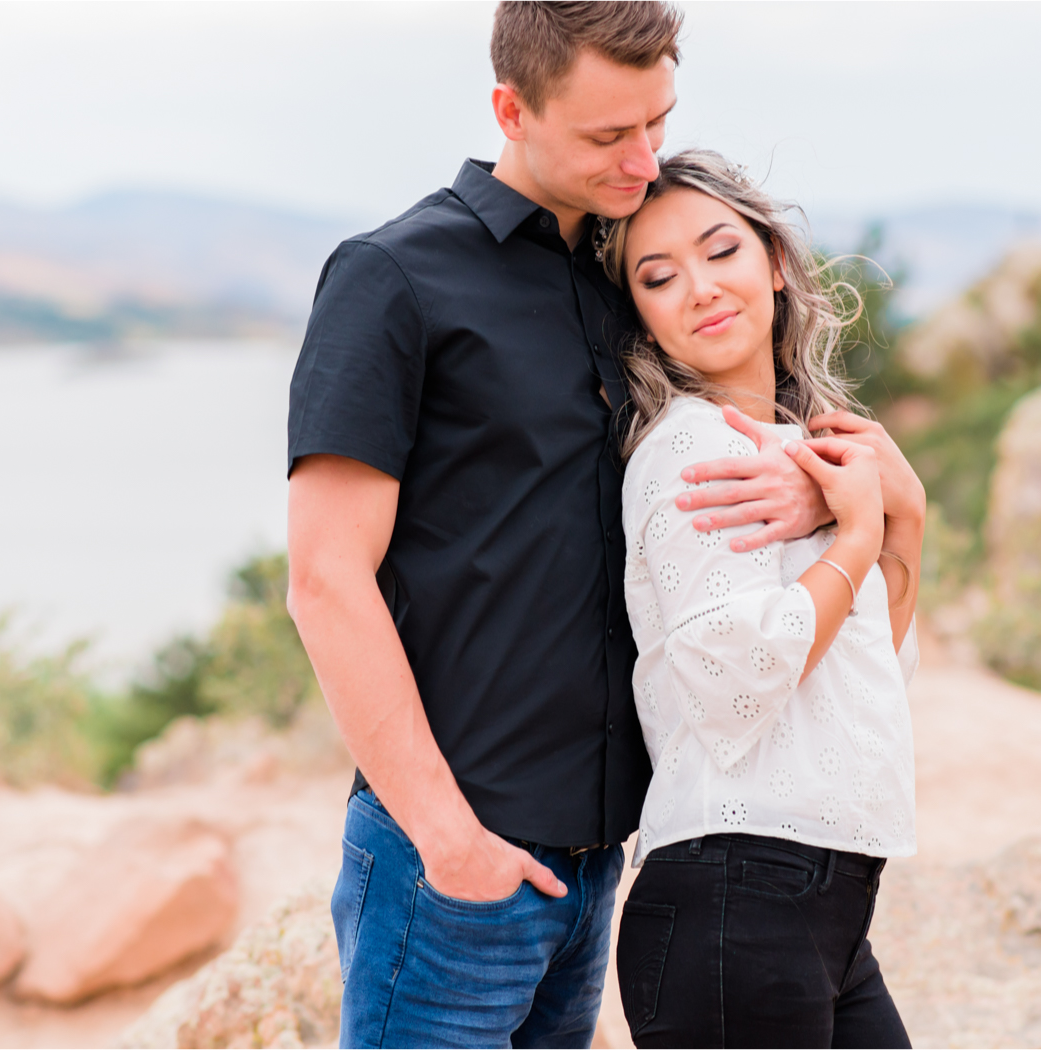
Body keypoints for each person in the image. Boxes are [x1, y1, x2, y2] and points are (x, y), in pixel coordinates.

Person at [285, 6, 836, 1048]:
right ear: (511, 108)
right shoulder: (393, 279)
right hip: (452, 864)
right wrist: (449, 841)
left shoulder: (631, 276)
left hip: (601, 861)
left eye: (655, 124)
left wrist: (817, 486)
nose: (641, 162)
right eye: (604, 137)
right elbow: (322, 580)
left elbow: (740, 415)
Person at [601, 149, 925, 1048]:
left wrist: (907, 518)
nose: (700, 288)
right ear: (641, 314)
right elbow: (735, 682)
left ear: (775, 263)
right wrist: (858, 536)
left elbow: (868, 675)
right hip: (734, 901)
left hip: (817, 909)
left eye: (722, 252)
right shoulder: (688, 451)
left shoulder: (802, 449)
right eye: (658, 276)